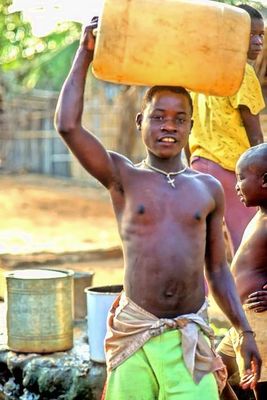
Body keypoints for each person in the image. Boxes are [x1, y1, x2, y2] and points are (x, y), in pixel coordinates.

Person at [54, 19, 261, 400]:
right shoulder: (123, 176)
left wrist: (244, 331)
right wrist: (84, 54)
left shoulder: (208, 188)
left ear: (191, 126)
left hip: (190, 336)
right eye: (159, 117)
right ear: (140, 122)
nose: (169, 126)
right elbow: (68, 126)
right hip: (135, 332)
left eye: (179, 119)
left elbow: (216, 269)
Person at [186, 4, 265, 258]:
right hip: (236, 171)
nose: (258, 42)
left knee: (206, 245)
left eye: (261, 35)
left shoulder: (199, 72)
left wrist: (189, 165)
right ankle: (248, 298)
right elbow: (254, 134)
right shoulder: (242, 70)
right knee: (248, 244)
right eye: (251, 34)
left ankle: (202, 298)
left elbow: (188, 124)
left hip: (199, 165)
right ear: (232, 34)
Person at [217, 143, 267, 400]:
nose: (236, 186)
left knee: (259, 386)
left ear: (265, 181)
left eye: (241, 178)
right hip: (244, 322)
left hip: (261, 320)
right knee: (215, 372)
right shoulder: (260, 216)